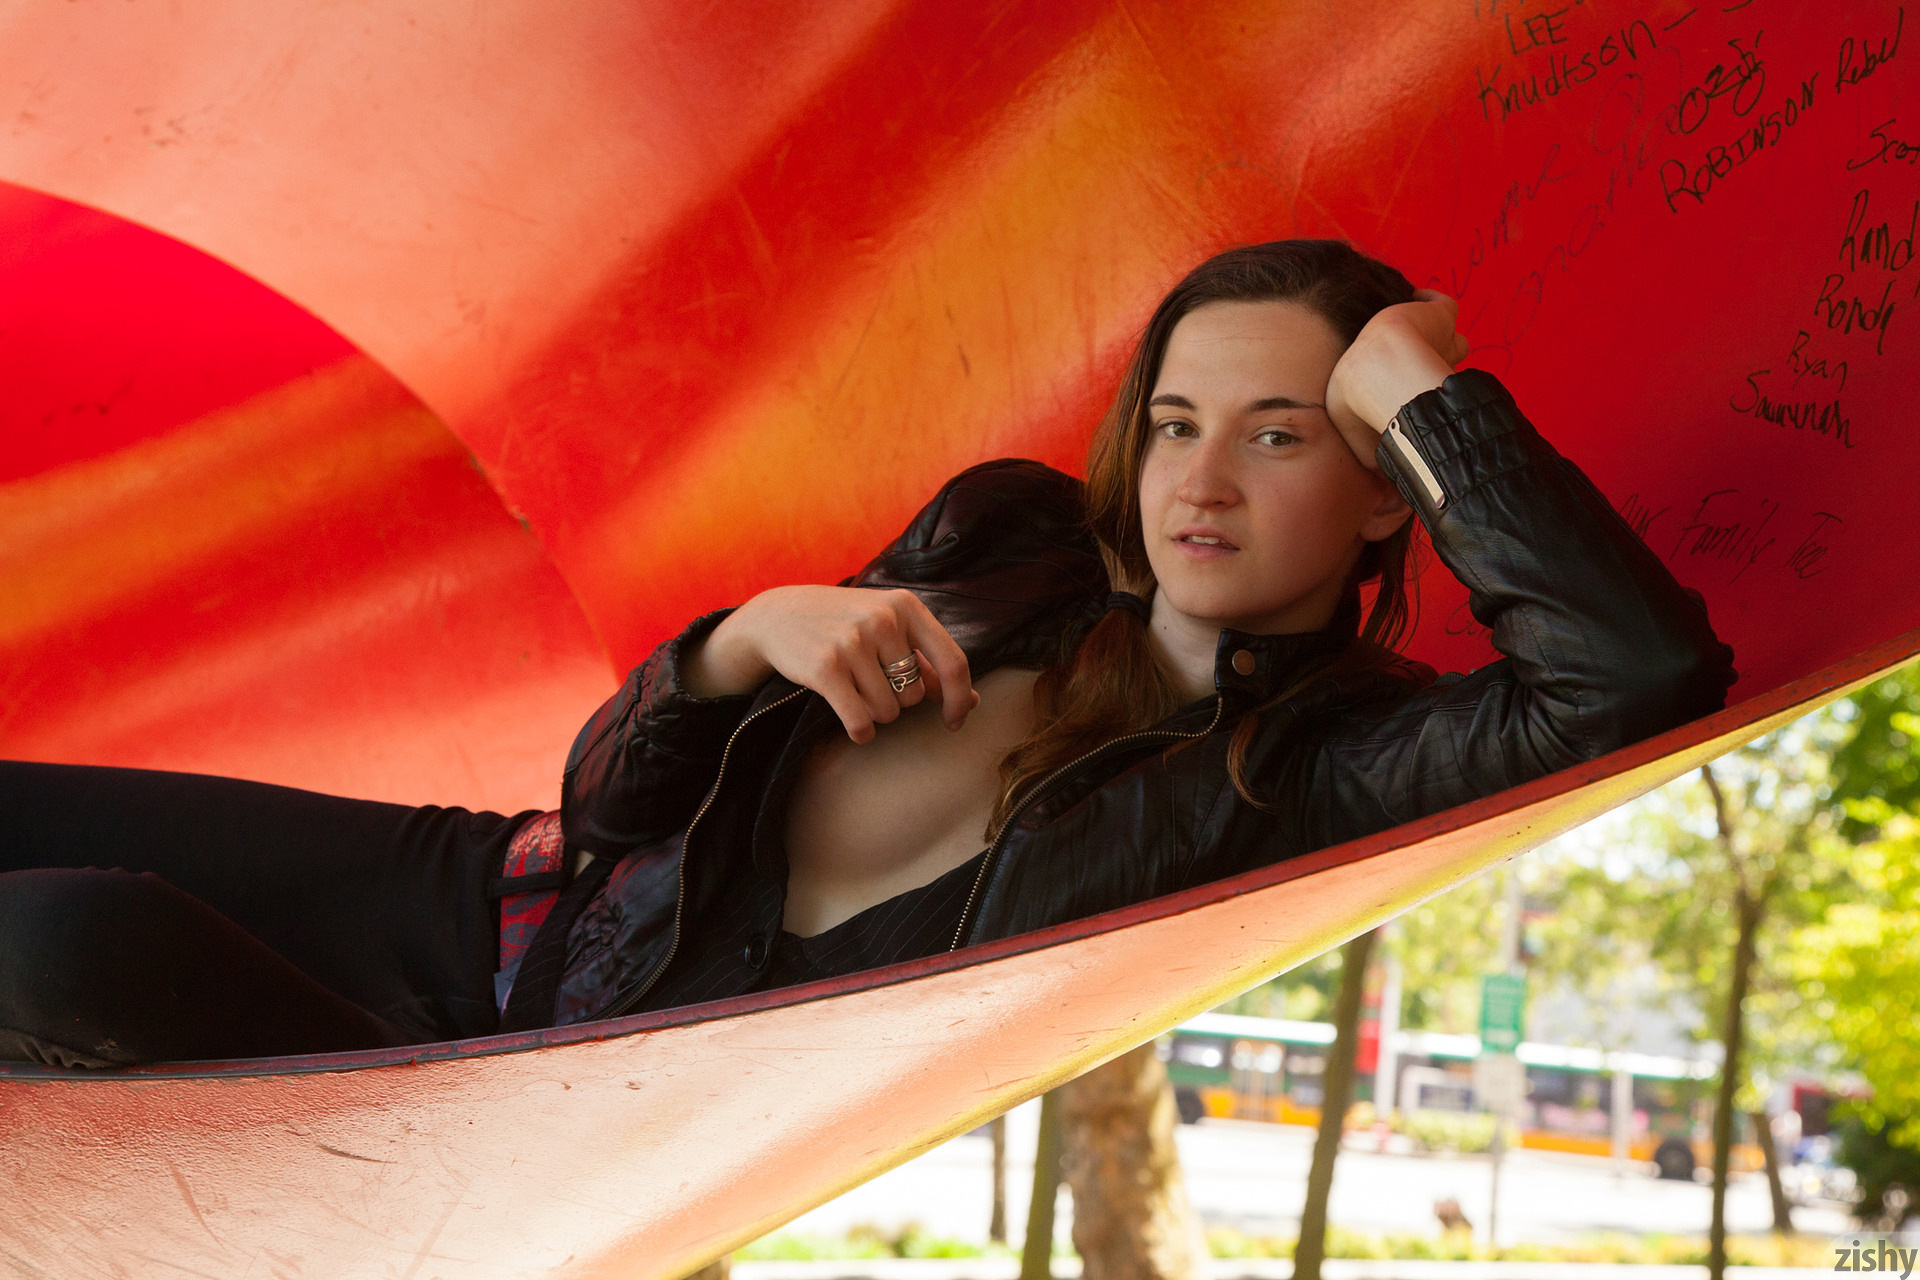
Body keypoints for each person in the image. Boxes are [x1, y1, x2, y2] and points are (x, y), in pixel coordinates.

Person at [0, 240, 1734, 1067]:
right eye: (1177, 421)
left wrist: (1419, 386)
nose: (1200, 482)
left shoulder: (1326, 763)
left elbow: (1633, 674)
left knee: (58, 938)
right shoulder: (1011, 542)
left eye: (1280, 434)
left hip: (522, 1093)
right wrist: (732, 647)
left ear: (1377, 492)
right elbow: (605, 809)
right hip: (490, 901)